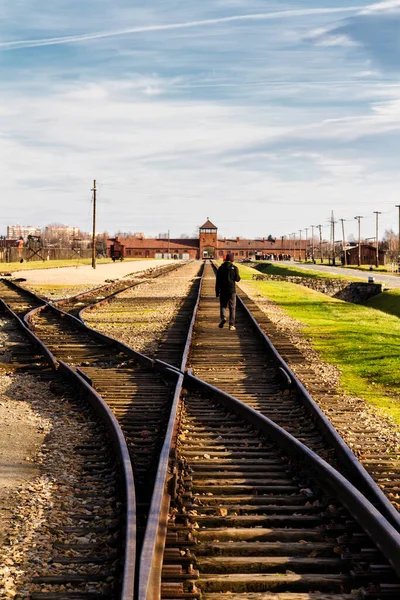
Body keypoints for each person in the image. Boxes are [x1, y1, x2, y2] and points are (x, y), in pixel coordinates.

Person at [216, 253, 241, 330]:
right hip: (232, 290)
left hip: (223, 290)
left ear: (226, 259)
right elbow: (237, 279)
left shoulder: (220, 268)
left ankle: (223, 317)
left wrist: (217, 291)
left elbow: (218, 281)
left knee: (223, 305)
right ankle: (231, 325)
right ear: (232, 259)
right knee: (232, 307)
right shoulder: (235, 268)